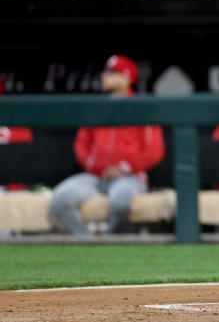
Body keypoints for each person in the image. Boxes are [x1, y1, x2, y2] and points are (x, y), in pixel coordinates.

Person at [50, 54, 165, 235]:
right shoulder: (97, 108)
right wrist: (95, 165)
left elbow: (154, 150)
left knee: (120, 202)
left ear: (126, 77)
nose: (104, 75)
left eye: (111, 72)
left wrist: (124, 167)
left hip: (130, 177)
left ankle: (107, 240)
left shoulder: (142, 107)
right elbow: (81, 145)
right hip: (96, 176)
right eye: (105, 71)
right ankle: (88, 242)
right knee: (59, 199)